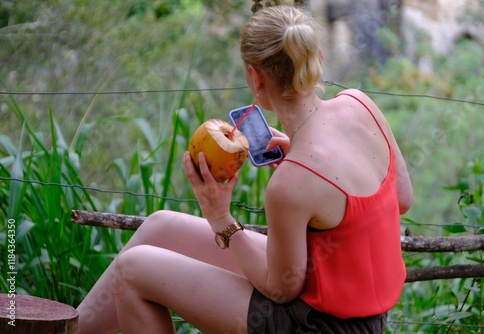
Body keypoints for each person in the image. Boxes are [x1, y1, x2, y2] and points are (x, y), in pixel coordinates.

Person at [77, 5, 413, 334]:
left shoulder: (291, 183)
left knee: (133, 269)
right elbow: (402, 198)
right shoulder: (361, 104)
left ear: (255, 76)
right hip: (363, 315)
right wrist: (307, 162)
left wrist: (219, 216)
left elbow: (282, 289)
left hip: (318, 324)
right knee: (160, 226)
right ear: (318, 58)